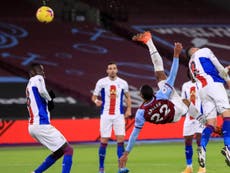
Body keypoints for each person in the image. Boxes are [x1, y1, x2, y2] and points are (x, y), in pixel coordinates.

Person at [118, 31, 204, 173]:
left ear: (141, 96)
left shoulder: (140, 112)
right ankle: (149, 41)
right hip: (177, 108)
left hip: (172, 117)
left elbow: (134, 135)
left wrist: (126, 153)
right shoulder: (162, 94)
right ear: (153, 92)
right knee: (177, 93)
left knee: (160, 75)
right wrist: (176, 55)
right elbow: (174, 74)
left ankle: (149, 41)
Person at [185, 46, 230, 169]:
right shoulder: (205, 51)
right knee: (227, 116)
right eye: (194, 47)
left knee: (211, 123)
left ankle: (202, 147)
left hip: (203, 91)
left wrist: (224, 72)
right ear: (192, 51)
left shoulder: (190, 64)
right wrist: (228, 78)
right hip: (214, 85)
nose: (196, 47)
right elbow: (218, 68)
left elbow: (208, 74)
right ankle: (228, 147)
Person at [26, 63, 73, 173]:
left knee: (59, 152)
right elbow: (42, 91)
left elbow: (39, 96)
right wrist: (50, 99)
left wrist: (47, 101)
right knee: (68, 150)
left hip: (33, 126)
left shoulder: (29, 85)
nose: (43, 73)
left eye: (43, 70)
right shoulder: (37, 78)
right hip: (41, 124)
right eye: (40, 70)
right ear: (33, 72)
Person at [91, 62, 132, 173]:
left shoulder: (123, 83)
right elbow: (94, 96)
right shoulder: (101, 82)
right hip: (106, 115)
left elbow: (128, 97)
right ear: (107, 70)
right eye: (110, 68)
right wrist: (96, 101)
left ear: (117, 70)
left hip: (119, 115)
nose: (112, 70)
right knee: (104, 141)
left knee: (121, 141)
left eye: (114, 68)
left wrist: (128, 109)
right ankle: (101, 167)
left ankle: (121, 167)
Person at [181, 69, 205, 173]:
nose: (193, 73)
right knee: (187, 141)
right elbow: (183, 99)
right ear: (189, 73)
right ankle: (189, 167)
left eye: (195, 72)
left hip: (201, 117)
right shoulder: (185, 85)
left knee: (200, 140)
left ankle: (202, 167)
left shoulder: (202, 84)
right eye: (191, 72)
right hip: (189, 117)